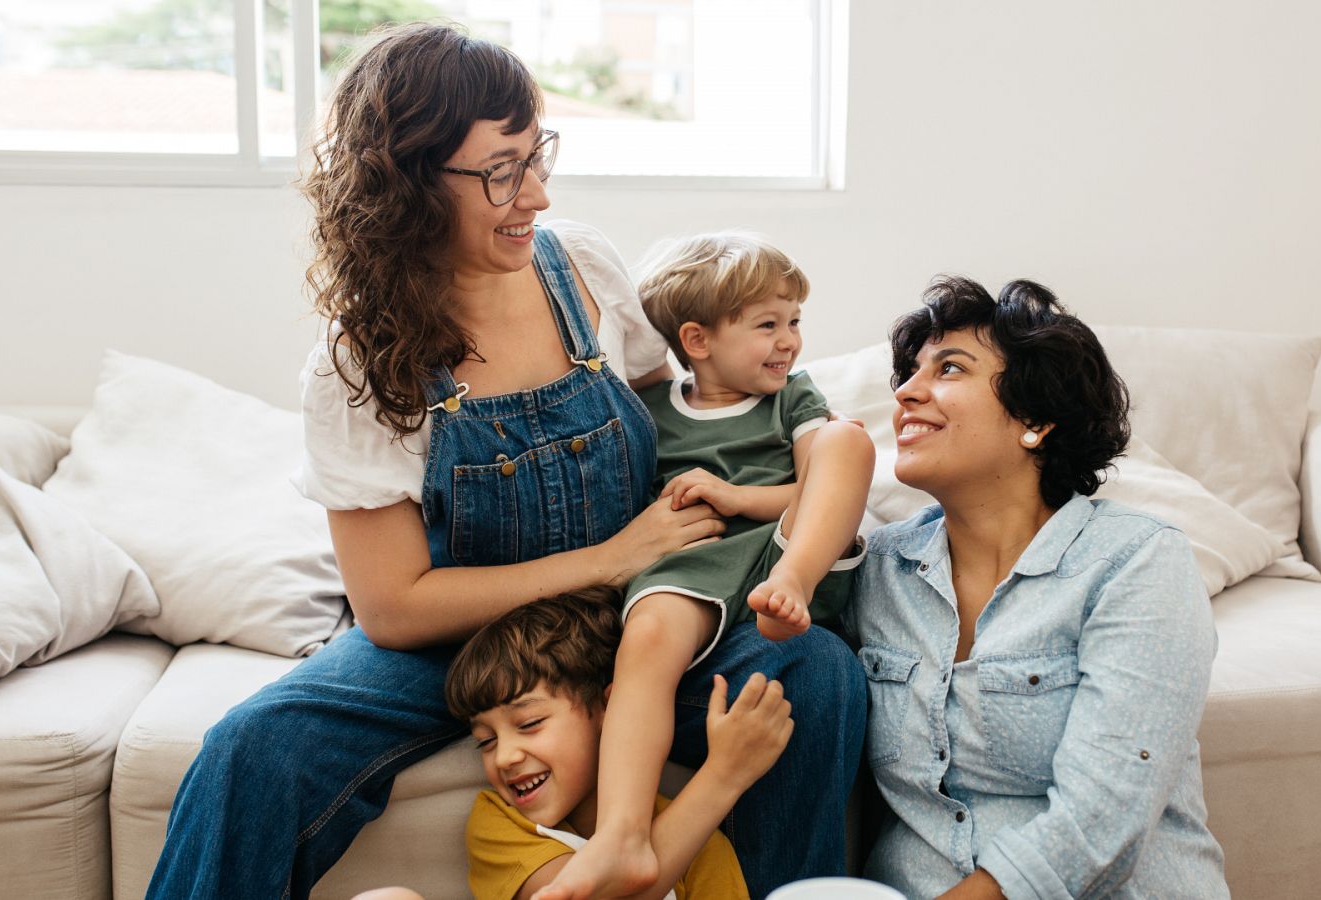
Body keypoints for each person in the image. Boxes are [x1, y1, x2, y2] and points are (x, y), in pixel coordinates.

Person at [143, 23, 866, 900]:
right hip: (465, 641)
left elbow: (672, 423)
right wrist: (605, 557)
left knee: (813, 675)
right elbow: (395, 608)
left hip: (642, 614)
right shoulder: (359, 365)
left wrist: (751, 509)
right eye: (500, 171)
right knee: (254, 748)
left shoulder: (586, 271)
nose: (537, 195)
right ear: (406, 185)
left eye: (537, 156)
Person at [848, 277, 1229, 898]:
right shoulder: (880, 569)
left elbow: (1102, 818)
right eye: (909, 374)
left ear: (1036, 419)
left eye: (949, 369)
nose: (907, 394)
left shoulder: (1134, 560)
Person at [542, 233, 874, 899]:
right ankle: (622, 834)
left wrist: (741, 497)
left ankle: (794, 587)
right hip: (697, 561)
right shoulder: (654, 413)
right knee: (650, 639)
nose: (790, 342)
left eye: (794, 322)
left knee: (846, 439)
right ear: (697, 340)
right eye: (767, 325)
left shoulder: (794, 400)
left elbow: (820, 486)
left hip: (786, 550)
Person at [448, 586, 789, 900]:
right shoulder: (499, 824)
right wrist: (722, 778)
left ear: (610, 709)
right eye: (486, 741)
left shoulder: (698, 840)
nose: (505, 757)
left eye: (530, 723)